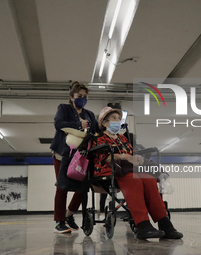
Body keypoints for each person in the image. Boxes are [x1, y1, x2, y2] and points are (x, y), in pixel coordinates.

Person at [92, 107, 183, 240]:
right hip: (112, 170)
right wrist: (125, 157)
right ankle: (143, 225)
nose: (118, 120)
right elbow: (104, 157)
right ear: (104, 123)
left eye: (119, 118)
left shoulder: (122, 138)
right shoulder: (99, 138)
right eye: (114, 118)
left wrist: (137, 157)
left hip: (128, 168)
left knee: (149, 180)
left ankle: (165, 223)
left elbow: (131, 153)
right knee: (134, 181)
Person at [50, 81, 98, 233]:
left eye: (85, 96)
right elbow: (58, 124)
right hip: (62, 154)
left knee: (83, 188)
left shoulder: (89, 114)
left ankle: (69, 214)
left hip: (81, 156)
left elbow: (96, 130)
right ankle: (59, 221)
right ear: (72, 97)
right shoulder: (63, 108)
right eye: (79, 96)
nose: (82, 99)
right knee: (62, 187)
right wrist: (79, 125)